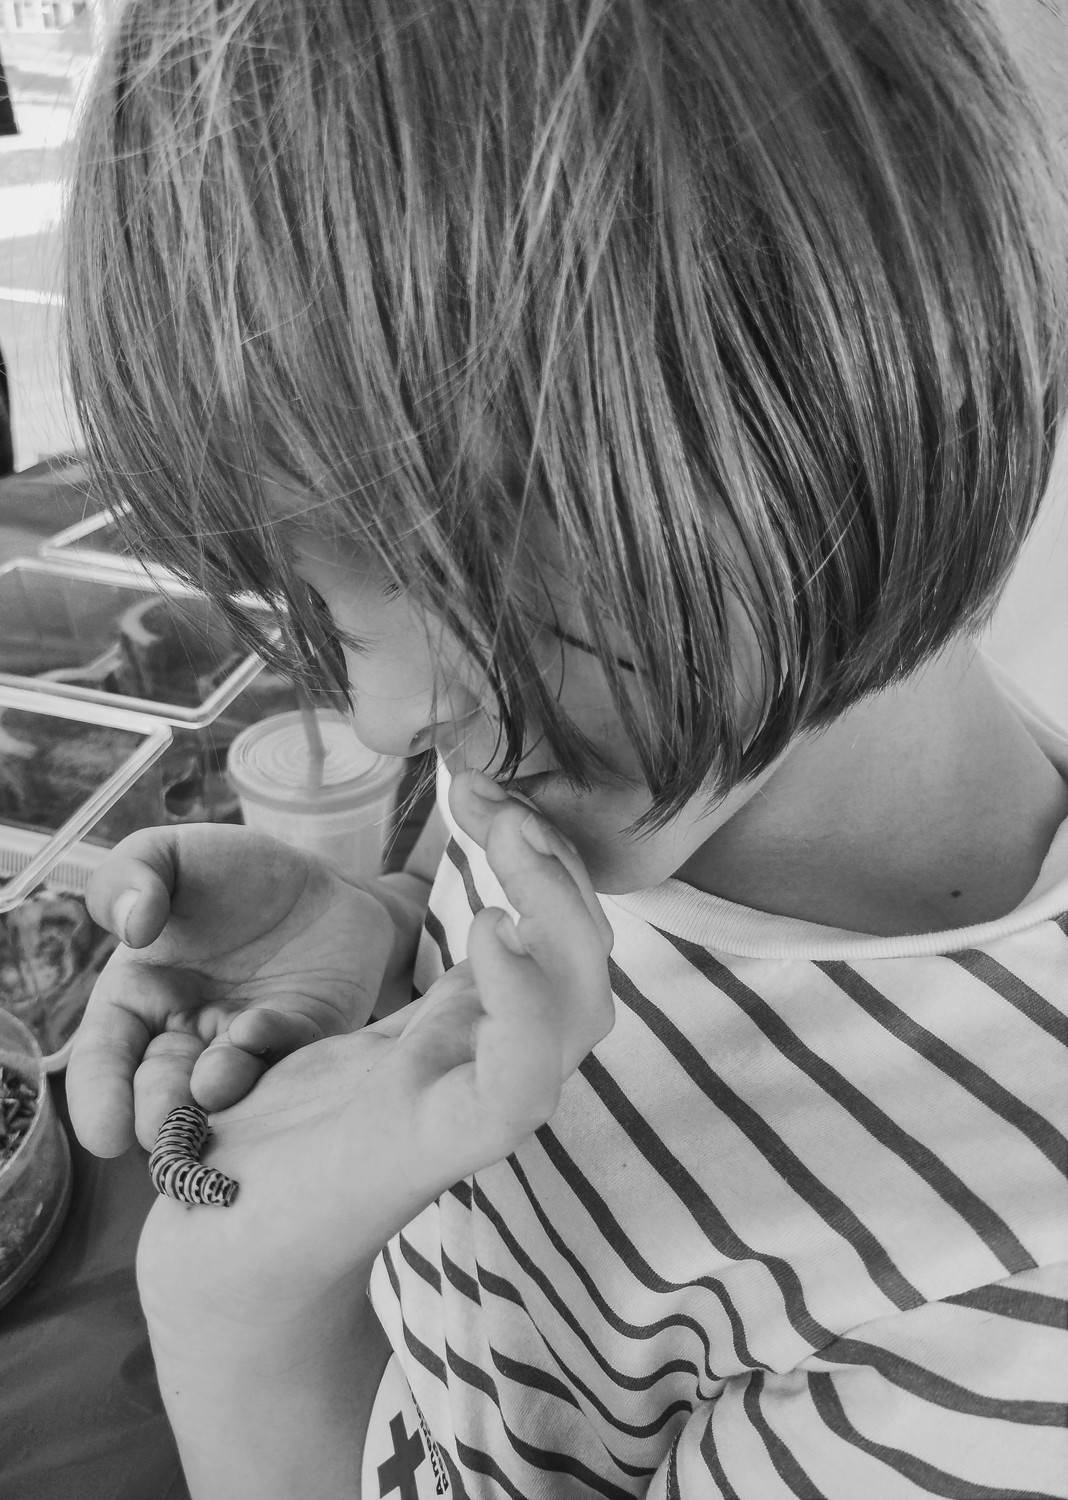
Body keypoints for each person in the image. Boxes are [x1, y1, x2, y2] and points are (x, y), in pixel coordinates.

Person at [61, 1, 1068, 1495]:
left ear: (844, 378)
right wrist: (384, 948)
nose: (387, 719)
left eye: (456, 563)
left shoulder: (1000, 1305)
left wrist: (239, 1308)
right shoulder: (621, 769)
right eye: (323, 604)